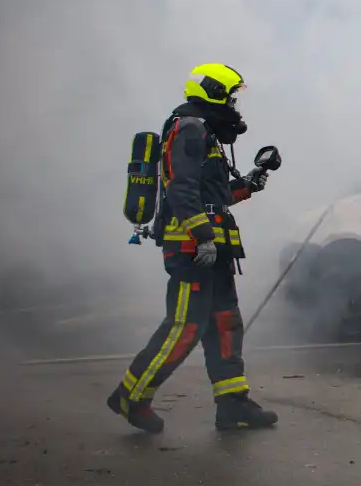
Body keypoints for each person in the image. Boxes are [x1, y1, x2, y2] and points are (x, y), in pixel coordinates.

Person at [107, 63, 279, 433]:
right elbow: (179, 189)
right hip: (192, 248)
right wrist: (201, 236)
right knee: (185, 326)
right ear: (214, 92)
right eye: (231, 96)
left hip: (212, 247)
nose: (235, 104)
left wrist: (247, 184)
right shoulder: (188, 129)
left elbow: (212, 198)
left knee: (224, 322)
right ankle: (130, 395)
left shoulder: (205, 133)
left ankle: (232, 404)